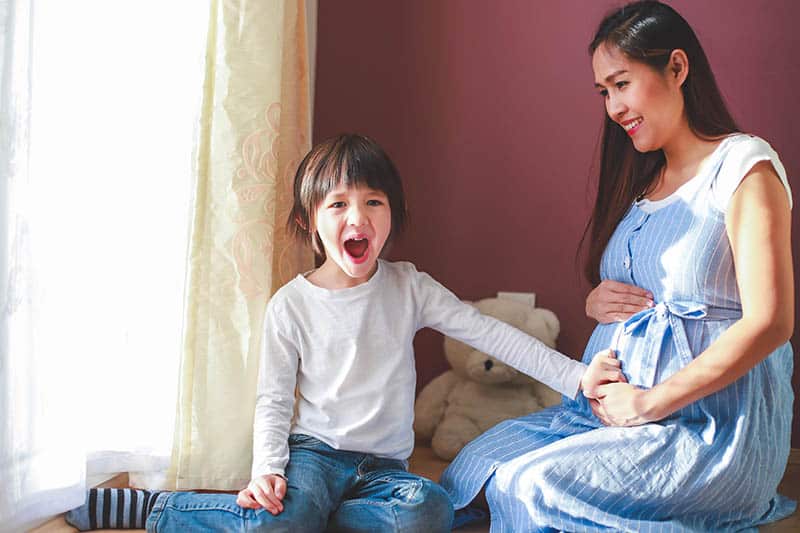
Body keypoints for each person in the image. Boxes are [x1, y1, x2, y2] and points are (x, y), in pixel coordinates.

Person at [65, 134, 620, 532]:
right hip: (315, 455)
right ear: (309, 221)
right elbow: (273, 401)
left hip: (385, 471)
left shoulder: (409, 287)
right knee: (277, 519)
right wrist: (267, 472)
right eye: (338, 205)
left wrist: (577, 376)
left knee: (430, 509)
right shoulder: (292, 305)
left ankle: (314, 517)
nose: (358, 218)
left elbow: (491, 334)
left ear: (393, 215)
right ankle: (156, 509)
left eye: (373, 202)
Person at [441, 1, 795, 531]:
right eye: (604, 92)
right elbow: (650, 284)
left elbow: (771, 322)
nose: (613, 107)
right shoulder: (645, 178)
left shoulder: (743, 167)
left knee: (529, 487)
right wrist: (598, 301)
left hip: (704, 427)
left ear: (677, 67)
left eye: (621, 84)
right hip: (602, 415)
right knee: (476, 464)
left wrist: (649, 403)